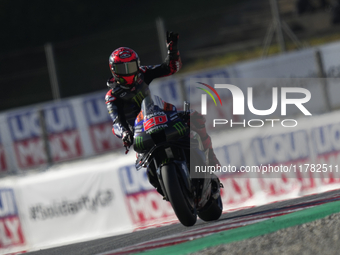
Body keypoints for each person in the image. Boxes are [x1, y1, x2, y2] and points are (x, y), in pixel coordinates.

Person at [105, 31, 222, 195]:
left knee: (193, 116)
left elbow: (171, 68)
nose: (129, 72)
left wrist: (172, 51)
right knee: (147, 171)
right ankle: (167, 187)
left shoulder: (143, 73)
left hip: (156, 118)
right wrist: (125, 133)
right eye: (123, 69)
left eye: (131, 67)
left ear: (137, 65)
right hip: (139, 132)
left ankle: (210, 157)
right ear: (114, 71)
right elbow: (116, 122)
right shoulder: (112, 96)